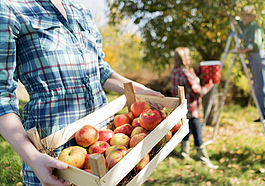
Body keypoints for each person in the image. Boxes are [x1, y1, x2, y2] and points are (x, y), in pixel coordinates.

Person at [0, 0, 163, 185]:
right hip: (54, 157)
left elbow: (100, 70)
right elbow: (1, 95)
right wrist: (32, 158)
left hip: (104, 145)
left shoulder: (80, 10)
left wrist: (144, 91)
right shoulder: (12, 8)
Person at [170, 47, 219, 169]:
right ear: (184, 59)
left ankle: (184, 154)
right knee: (197, 134)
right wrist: (209, 85)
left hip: (181, 109)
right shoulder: (186, 74)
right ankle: (204, 160)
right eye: (188, 56)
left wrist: (198, 70)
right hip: (192, 109)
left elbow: (188, 79)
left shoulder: (175, 72)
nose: (190, 58)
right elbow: (197, 92)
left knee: (187, 130)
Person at [236, 5, 265, 122]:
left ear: (251, 16)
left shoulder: (255, 28)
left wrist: (242, 51)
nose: (243, 17)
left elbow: (255, 44)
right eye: (243, 15)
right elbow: (238, 22)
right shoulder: (246, 26)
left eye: (246, 15)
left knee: (260, 85)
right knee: (264, 83)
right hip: (255, 57)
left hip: (257, 57)